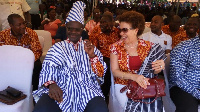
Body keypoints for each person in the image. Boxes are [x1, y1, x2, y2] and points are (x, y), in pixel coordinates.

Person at [32, 1, 108, 112]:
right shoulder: (57, 47)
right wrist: (51, 84)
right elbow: (48, 68)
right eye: (69, 28)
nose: (73, 32)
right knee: (42, 109)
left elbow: (101, 73)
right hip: (60, 86)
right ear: (65, 28)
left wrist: (92, 56)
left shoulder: (91, 48)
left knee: (100, 109)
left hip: (87, 88)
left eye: (77, 29)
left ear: (82, 30)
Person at [110, 11, 166, 112]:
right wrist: (134, 77)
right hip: (124, 86)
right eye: (120, 29)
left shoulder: (149, 47)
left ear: (136, 30)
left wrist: (160, 67)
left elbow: (154, 72)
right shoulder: (115, 47)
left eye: (125, 30)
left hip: (146, 86)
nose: (121, 33)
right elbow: (115, 71)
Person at [0, 14, 42, 90]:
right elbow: (2, 53)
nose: (23, 26)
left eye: (23, 23)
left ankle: (35, 92)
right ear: (11, 25)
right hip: (10, 62)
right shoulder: (3, 35)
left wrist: (26, 63)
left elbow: (37, 51)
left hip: (28, 62)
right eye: (19, 25)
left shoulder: (31, 33)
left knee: (38, 65)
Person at [89, 11, 120, 102]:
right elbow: (94, 50)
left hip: (117, 57)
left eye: (105, 22)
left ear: (112, 22)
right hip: (103, 57)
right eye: (101, 22)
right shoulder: (97, 33)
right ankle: (103, 95)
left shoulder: (117, 32)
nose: (102, 24)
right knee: (107, 67)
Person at [169, 31, 200, 112]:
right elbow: (176, 77)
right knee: (189, 109)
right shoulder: (184, 47)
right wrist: (197, 93)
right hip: (183, 88)